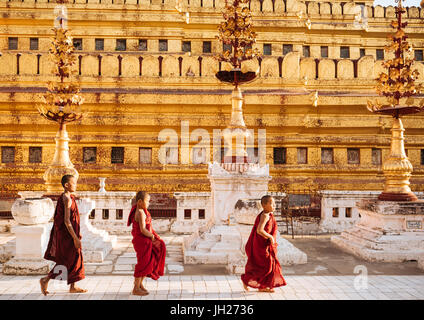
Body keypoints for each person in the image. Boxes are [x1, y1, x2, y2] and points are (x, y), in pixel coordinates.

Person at [40, 174, 86, 295]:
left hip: (70, 234)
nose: (76, 185)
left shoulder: (69, 196)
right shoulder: (67, 198)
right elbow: (66, 221)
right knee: (66, 260)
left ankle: (73, 286)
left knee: (75, 259)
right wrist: (75, 238)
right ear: (66, 185)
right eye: (74, 183)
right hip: (68, 236)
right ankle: (45, 280)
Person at [241, 195, 287, 292]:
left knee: (266, 265)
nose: (274, 205)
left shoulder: (269, 215)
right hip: (261, 246)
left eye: (274, 203)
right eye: (271, 203)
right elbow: (259, 230)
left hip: (264, 245)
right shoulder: (265, 216)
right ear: (264, 205)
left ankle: (263, 286)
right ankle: (246, 280)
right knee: (266, 265)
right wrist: (270, 237)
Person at [127, 191, 166, 296]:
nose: (148, 203)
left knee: (149, 262)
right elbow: (143, 229)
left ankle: (140, 285)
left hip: (145, 241)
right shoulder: (140, 212)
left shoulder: (141, 210)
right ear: (140, 201)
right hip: (142, 242)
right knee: (143, 264)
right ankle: (136, 288)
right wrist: (152, 236)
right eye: (147, 201)